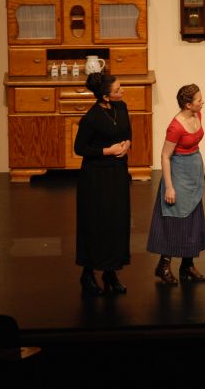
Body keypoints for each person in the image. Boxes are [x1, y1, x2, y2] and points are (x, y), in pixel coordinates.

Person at [74, 72, 132, 296]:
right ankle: (87, 274)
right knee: (96, 223)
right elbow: (80, 148)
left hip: (117, 173)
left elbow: (127, 132)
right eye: (118, 90)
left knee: (116, 222)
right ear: (106, 97)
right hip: (96, 178)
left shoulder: (121, 107)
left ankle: (110, 271)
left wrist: (127, 144)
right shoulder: (92, 117)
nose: (122, 91)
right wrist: (108, 150)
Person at [147, 84, 205, 284]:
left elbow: (196, 145)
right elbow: (165, 156)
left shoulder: (197, 116)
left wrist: (202, 166)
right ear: (188, 104)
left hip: (193, 171)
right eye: (199, 100)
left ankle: (187, 265)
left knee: (192, 219)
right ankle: (163, 265)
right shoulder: (175, 127)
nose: (202, 102)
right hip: (178, 173)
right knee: (176, 219)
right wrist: (169, 187)